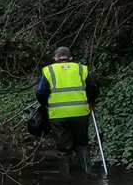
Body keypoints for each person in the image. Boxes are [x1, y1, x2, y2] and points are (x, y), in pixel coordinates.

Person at [35, 46, 100, 174]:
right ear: (70, 58)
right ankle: (87, 174)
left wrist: (46, 104)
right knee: (82, 144)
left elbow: (40, 92)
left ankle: (65, 179)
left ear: (55, 58)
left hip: (58, 115)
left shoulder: (49, 71)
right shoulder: (81, 69)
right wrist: (91, 101)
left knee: (64, 149)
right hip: (80, 113)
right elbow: (94, 89)